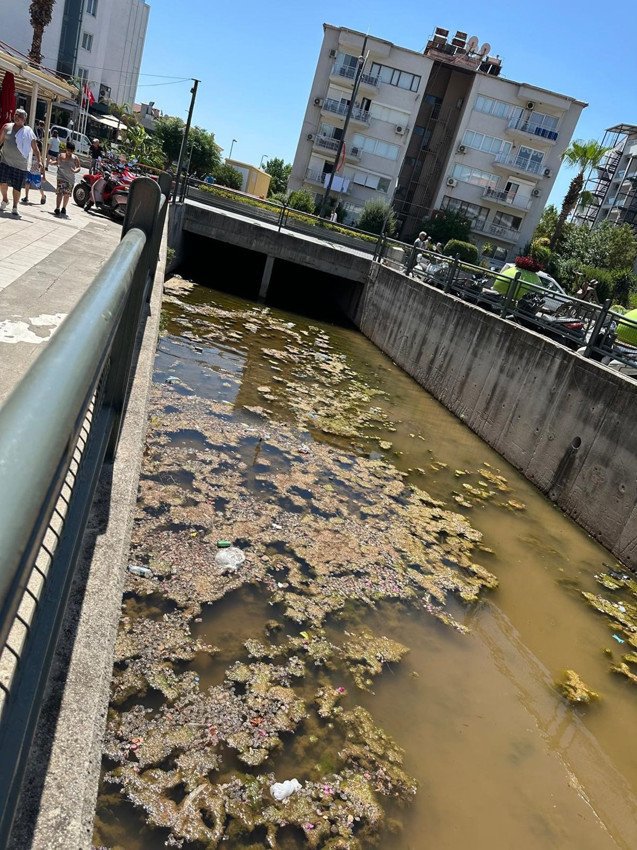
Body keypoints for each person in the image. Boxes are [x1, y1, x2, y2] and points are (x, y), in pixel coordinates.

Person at [0, 108, 42, 216]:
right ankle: (5, 199)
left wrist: (40, 161)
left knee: (17, 187)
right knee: (2, 182)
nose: (17, 117)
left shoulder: (28, 132)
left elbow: (35, 149)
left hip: (20, 165)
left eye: (19, 116)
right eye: (16, 115)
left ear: (24, 119)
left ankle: (15, 206)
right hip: (5, 160)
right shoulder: (6, 127)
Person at [54, 140, 80, 217]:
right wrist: (52, 163)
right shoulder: (60, 155)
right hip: (61, 177)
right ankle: (57, 208)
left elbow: (79, 167)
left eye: (71, 151)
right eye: (68, 150)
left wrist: (75, 171)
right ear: (66, 149)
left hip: (70, 179)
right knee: (59, 193)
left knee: (66, 194)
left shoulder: (75, 158)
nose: (69, 152)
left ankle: (64, 208)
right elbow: (57, 163)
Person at [21, 141, 46, 205]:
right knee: (27, 183)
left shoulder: (39, 157)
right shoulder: (30, 154)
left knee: (39, 186)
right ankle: (26, 196)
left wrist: (44, 176)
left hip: (36, 173)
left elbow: (42, 167)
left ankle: (43, 196)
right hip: (29, 172)